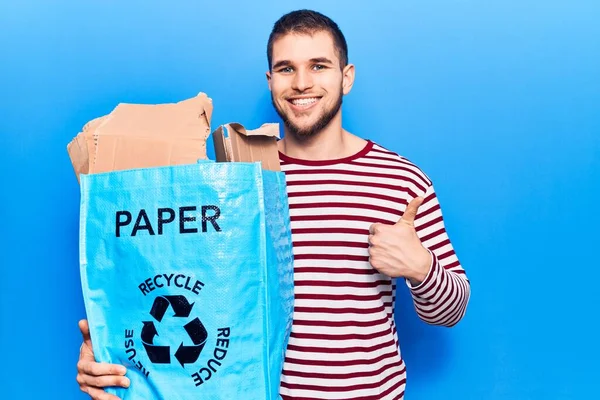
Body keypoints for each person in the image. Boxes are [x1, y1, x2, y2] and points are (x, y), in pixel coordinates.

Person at [76, 9, 471, 400]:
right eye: (286, 69)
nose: (302, 83)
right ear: (270, 81)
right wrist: (112, 351)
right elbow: (178, 284)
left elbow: (451, 311)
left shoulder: (400, 180)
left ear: (346, 77)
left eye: (319, 66)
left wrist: (420, 266)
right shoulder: (233, 182)